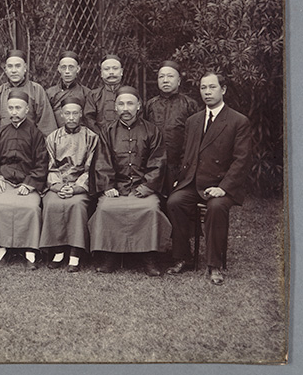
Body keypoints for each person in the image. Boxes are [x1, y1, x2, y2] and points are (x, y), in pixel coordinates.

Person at [166, 72, 252, 285]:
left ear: (223, 90)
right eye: (203, 88)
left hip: (222, 186)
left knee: (215, 207)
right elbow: (188, 153)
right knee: (174, 202)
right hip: (194, 183)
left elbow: (241, 161)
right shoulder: (193, 121)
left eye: (212, 87)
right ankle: (182, 257)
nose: (207, 92)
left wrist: (223, 188)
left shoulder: (238, 121)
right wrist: (182, 179)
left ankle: (214, 265)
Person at [89, 86, 170, 276]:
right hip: (117, 187)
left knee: (150, 209)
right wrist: (107, 186)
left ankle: (149, 255)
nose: (126, 108)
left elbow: (158, 160)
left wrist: (149, 186)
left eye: (130, 104)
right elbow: (102, 160)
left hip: (143, 187)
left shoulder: (152, 131)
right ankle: (111, 254)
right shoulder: (107, 131)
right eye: (121, 104)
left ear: (139, 106)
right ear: (115, 107)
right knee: (105, 208)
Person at [0, 90, 49, 270]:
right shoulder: (0, 133)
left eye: (18, 108)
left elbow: (41, 163)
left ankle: (30, 251)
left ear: (27, 109)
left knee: (30, 208)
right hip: (3, 182)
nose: (14, 112)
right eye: (11, 108)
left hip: (26, 183)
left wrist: (30, 184)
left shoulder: (36, 134)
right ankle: (1, 250)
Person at [39, 96, 99, 272]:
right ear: (61, 115)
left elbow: (90, 168)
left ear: (81, 114)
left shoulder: (91, 137)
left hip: (80, 185)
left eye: (75, 113)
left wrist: (75, 188)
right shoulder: (52, 138)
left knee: (77, 205)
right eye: (67, 113)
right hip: (58, 184)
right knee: (51, 203)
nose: (71, 117)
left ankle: (75, 251)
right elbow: (49, 166)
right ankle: (57, 250)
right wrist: (58, 186)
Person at [143, 60, 200, 194]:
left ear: (179, 80)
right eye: (161, 77)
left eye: (170, 76)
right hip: (154, 165)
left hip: (179, 165)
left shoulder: (190, 105)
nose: (165, 80)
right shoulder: (150, 105)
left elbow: (195, 139)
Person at [0, 49, 57, 141]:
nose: (14, 70)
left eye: (18, 66)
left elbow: (46, 125)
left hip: (29, 147)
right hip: (4, 147)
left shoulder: (36, 90)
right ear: (5, 69)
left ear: (25, 68)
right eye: (10, 66)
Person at [45, 51, 91, 127]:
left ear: (78, 69)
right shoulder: (50, 93)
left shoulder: (86, 93)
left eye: (71, 67)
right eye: (63, 67)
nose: (67, 71)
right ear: (59, 69)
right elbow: (47, 119)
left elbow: (88, 120)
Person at [84, 54, 124, 133]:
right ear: (101, 73)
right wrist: (101, 136)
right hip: (100, 139)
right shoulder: (93, 95)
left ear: (121, 72)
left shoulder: (130, 94)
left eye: (115, 68)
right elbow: (89, 119)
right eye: (107, 69)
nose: (111, 72)